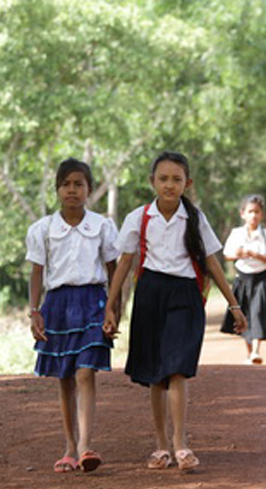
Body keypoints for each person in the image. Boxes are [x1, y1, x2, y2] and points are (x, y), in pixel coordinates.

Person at [103, 151, 247, 471]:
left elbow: (212, 262)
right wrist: (110, 308)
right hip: (150, 293)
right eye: (163, 179)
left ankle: (181, 444)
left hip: (185, 295)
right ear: (152, 182)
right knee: (156, 374)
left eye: (176, 179)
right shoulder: (138, 218)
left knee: (178, 368)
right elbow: (124, 264)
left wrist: (234, 305)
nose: (169, 185)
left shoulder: (195, 219)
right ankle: (161, 446)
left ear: (187, 183)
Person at [25, 158, 119, 474]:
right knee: (65, 378)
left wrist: (115, 309)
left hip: (93, 301)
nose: (72, 190)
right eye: (66, 184)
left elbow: (113, 270)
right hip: (57, 305)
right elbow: (37, 272)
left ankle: (85, 446)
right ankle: (68, 446)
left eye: (79, 184)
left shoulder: (103, 227)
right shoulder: (43, 229)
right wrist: (34, 311)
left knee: (85, 371)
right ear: (57, 189)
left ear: (89, 190)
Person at [220, 194, 266, 364]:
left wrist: (257, 255)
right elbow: (227, 256)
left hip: (260, 278)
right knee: (244, 313)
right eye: (250, 212)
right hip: (242, 278)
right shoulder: (236, 233)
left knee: (259, 312)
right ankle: (249, 353)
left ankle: (256, 351)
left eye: (257, 212)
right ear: (242, 214)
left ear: (262, 215)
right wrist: (238, 255)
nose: (253, 215)